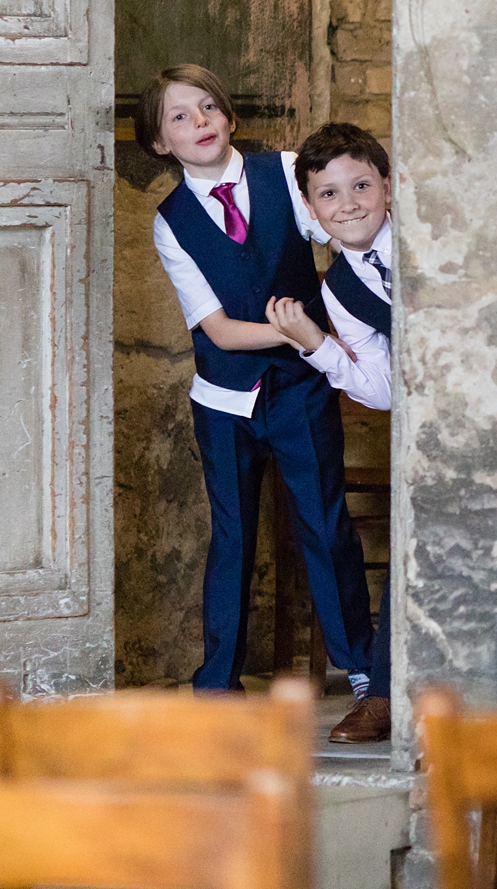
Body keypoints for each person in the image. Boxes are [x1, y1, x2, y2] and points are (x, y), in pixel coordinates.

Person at [136, 66, 375, 698]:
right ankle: (218, 686)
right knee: (234, 538)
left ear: (230, 117)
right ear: (161, 143)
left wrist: (336, 334)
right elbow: (218, 331)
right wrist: (300, 329)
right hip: (224, 400)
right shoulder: (171, 222)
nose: (200, 122)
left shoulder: (285, 173)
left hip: (301, 389)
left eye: (209, 107)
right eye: (180, 118)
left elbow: (348, 237)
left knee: (325, 527)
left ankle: (365, 675)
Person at [267, 122, 395, 744]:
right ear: (313, 210)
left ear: (388, 187)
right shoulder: (340, 288)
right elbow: (383, 390)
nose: (348, 204)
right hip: (437, 433)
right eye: (329, 194)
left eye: (362, 185)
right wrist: (316, 344)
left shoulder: (434, 239)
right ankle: (389, 695)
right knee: (416, 546)